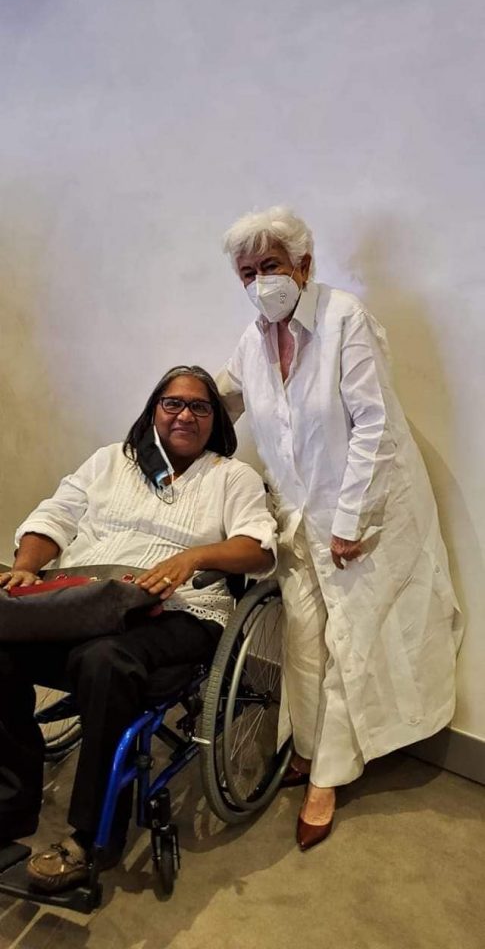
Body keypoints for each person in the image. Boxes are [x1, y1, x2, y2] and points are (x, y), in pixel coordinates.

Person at [217, 206, 463, 851]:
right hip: (299, 516)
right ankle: (306, 745)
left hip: (366, 514)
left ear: (303, 265)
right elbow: (227, 396)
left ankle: (326, 776)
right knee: (304, 637)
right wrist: (169, 418)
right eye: (248, 272)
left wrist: (352, 521)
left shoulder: (344, 319)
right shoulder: (253, 339)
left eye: (271, 265)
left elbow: (374, 425)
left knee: (351, 641)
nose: (260, 281)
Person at [0, 365, 276, 890]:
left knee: (103, 660)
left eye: (200, 406)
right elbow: (54, 516)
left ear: (215, 420)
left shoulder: (230, 477)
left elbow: (258, 548)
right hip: (88, 603)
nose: (185, 415)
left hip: (182, 613)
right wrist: (27, 566)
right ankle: (10, 805)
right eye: (173, 403)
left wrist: (194, 557)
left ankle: (93, 838)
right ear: (153, 411)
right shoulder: (111, 461)